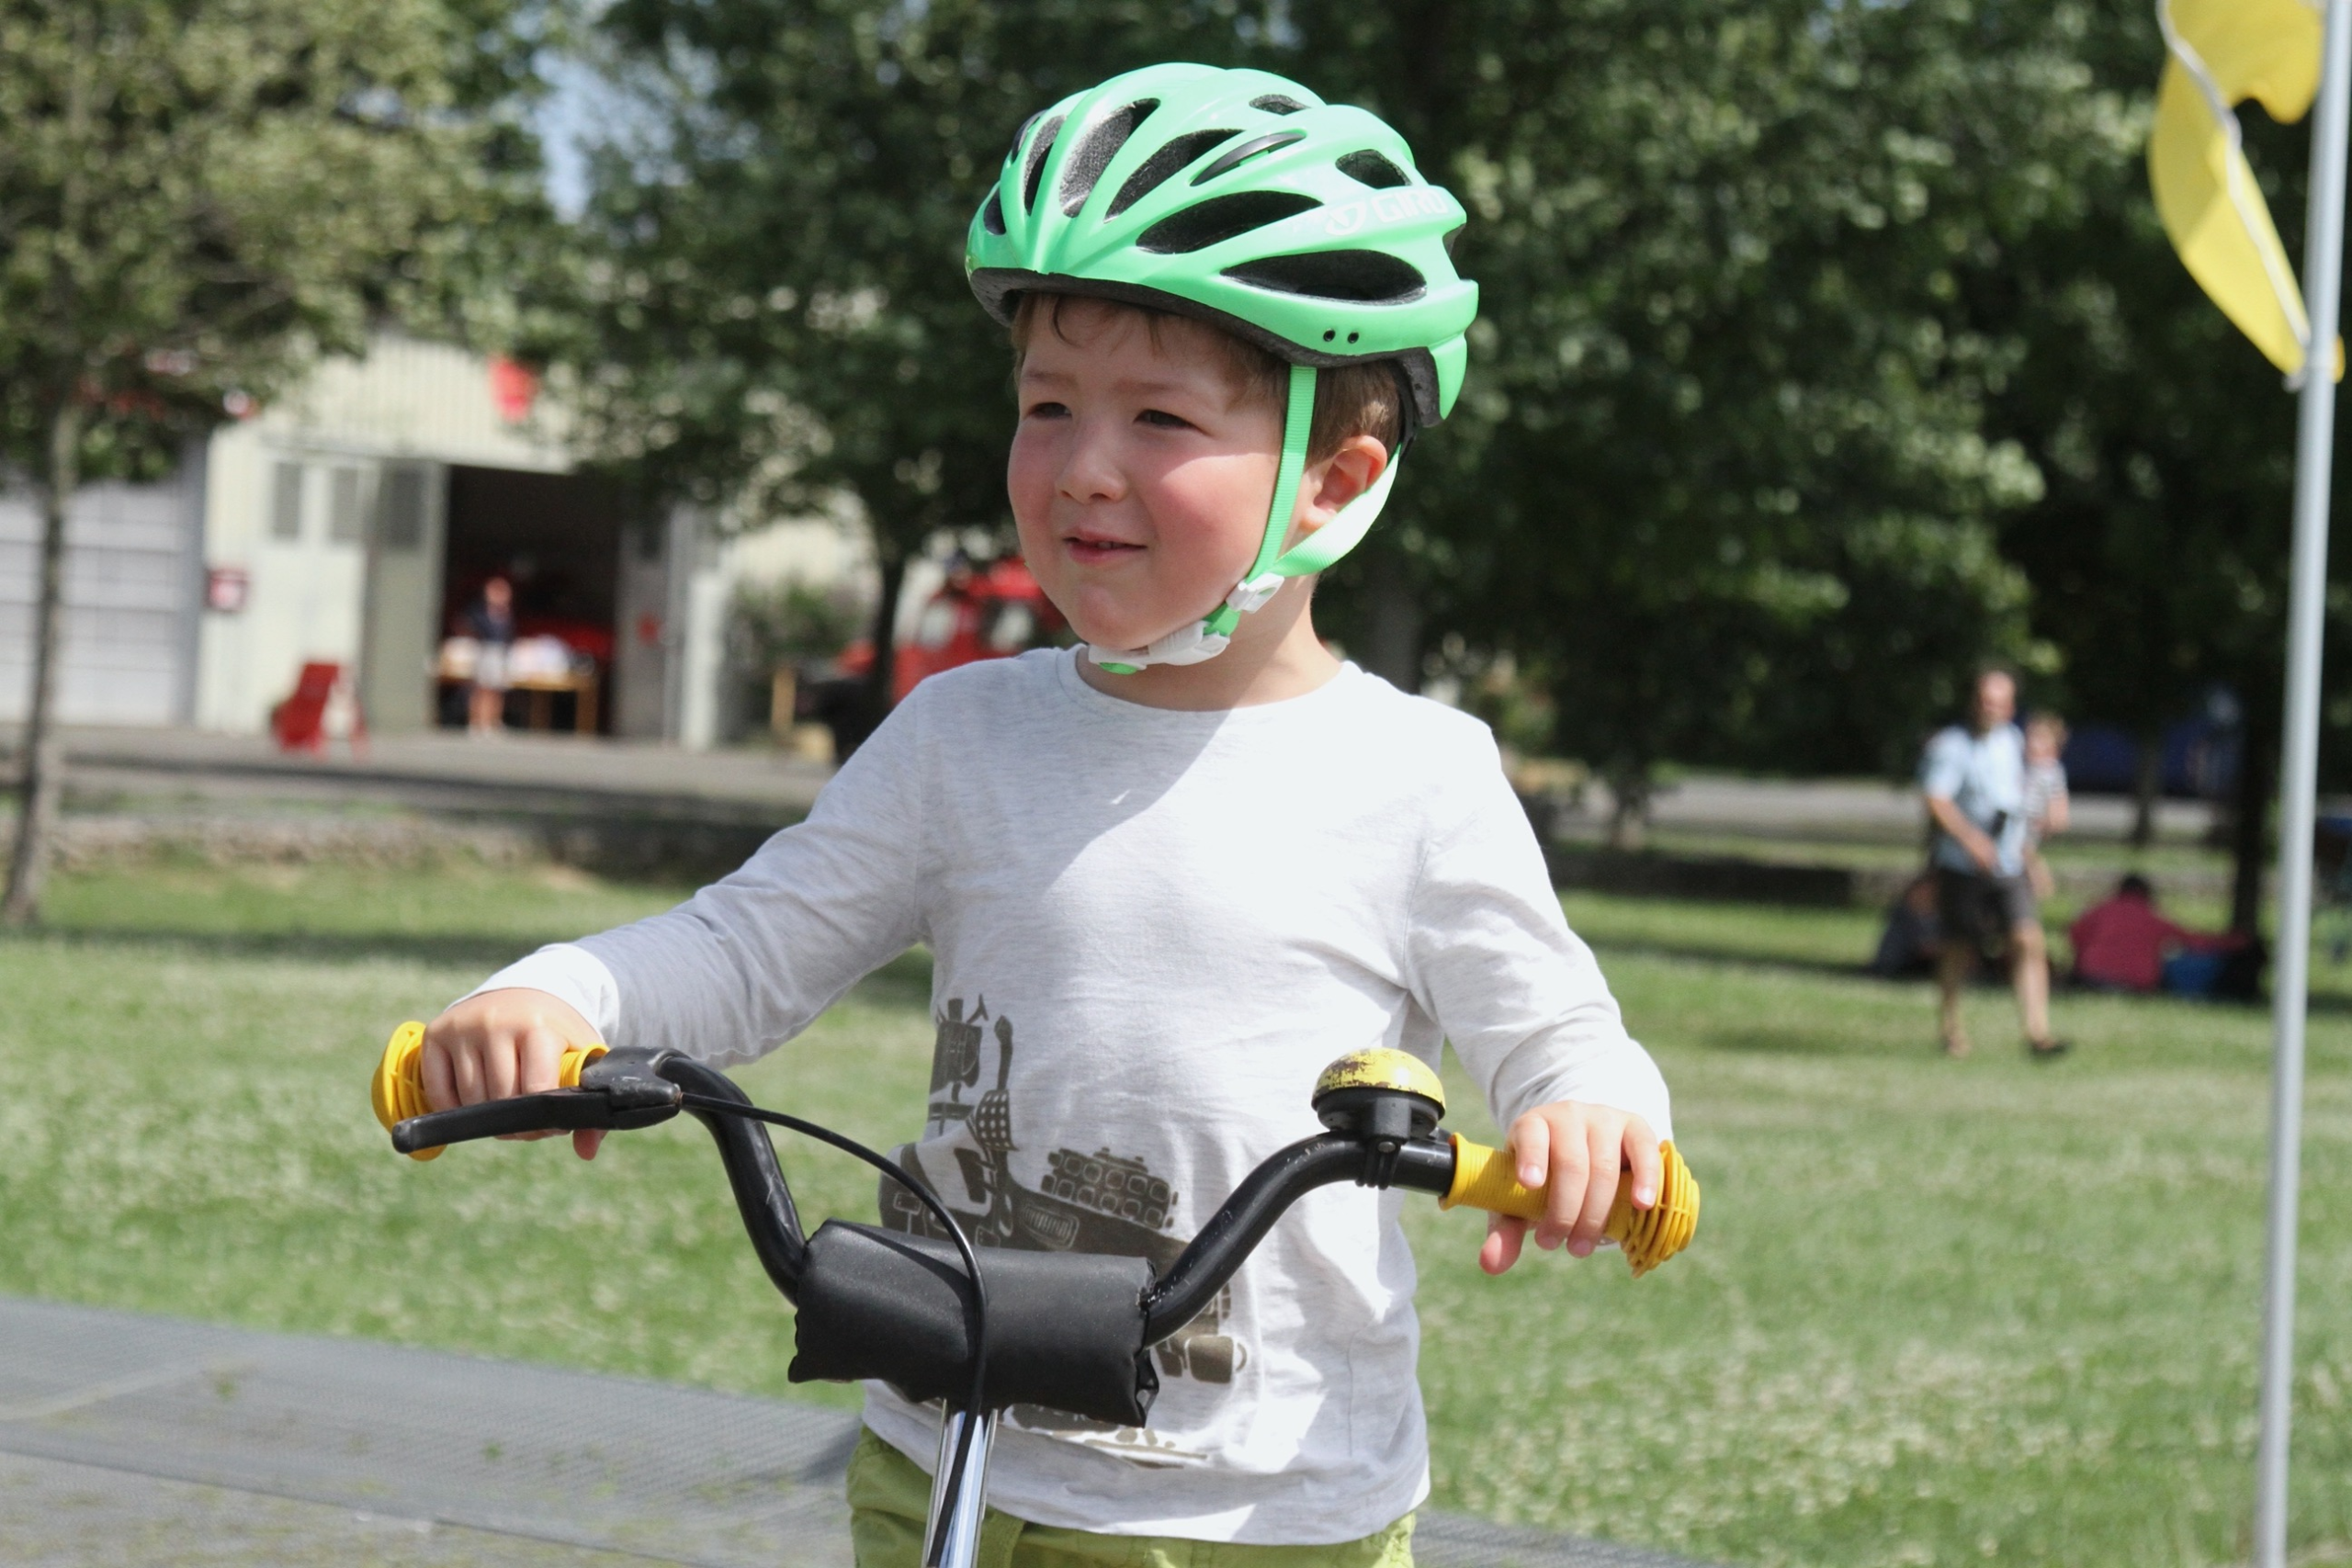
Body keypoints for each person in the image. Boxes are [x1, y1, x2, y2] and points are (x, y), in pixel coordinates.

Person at [406, 65, 1670, 1568]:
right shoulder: (966, 735)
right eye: (1048, 405)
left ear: (1334, 480)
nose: (1082, 466)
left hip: (1260, 1513)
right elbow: (750, 943)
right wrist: (564, 993)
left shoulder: (1415, 777)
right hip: (942, 1445)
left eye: (1158, 417)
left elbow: (1553, 1023)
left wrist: (1594, 1113)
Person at [1922, 668, 2067, 1059]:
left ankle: (2038, 1032)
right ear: (1974, 702)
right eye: (1986, 700)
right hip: (1962, 864)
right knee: (1958, 947)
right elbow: (1937, 800)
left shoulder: (2013, 742)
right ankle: (1951, 1029)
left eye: (2000, 702)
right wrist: (1971, 841)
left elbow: (2029, 792)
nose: (1992, 708)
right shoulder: (1951, 746)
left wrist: (2034, 844)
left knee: (2027, 939)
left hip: (2008, 861)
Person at [2019, 712, 2070, 900]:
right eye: (2030, 737)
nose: (2031, 743)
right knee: (2023, 856)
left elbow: (2057, 797)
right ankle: (2035, 889)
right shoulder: (2027, 766)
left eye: (2039, 739)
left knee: (2025, 854)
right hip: (2020, 819)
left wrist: (2053, 819)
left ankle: (2044, 888)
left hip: (2032, 821)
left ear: (2053, 746)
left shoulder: (2050, 770)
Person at [466, 575, 516, 738]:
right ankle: (477, 723)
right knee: (483, 688)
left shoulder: (506, 614)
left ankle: (493, 722)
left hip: (501, 652)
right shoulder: (479, 612)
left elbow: (509, 634)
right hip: (485, 650)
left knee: (497, 689)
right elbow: (469, 627)